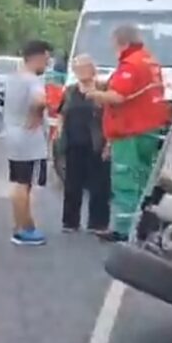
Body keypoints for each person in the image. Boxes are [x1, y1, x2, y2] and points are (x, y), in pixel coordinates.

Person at [85, 25, 171, 243]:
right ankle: (143, 226)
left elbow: (118, 96)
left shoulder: (131, 64)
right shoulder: (148, 60)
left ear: (120, 42)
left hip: (130, 132)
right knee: (143, 180)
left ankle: (124, 230)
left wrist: (93, 94)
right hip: (148, 130)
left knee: (125, 181)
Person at [3, 40, 53, 246]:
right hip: (29, 141)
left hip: (13, 135)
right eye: (47, 59)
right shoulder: (33, 80)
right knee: (25, 184)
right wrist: (36, 115)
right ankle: (25, 228)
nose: (48, 64)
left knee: (18, 183)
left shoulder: (13, 77)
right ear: (38, 57)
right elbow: (39, 101)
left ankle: (19, 225)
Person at [57, 55, 111, 233]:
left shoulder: (103, 89)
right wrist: (59, 132)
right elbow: (61, 113)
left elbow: (110, 117)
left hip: (96, 143)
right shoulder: (70, 91)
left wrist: (109, 142)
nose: (81, 71)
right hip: (73, 143)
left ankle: (98, 223)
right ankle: (70, 222)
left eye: (85, 67)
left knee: (99, 185)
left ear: (93, 69)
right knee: (72, 184)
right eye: (77, 67)